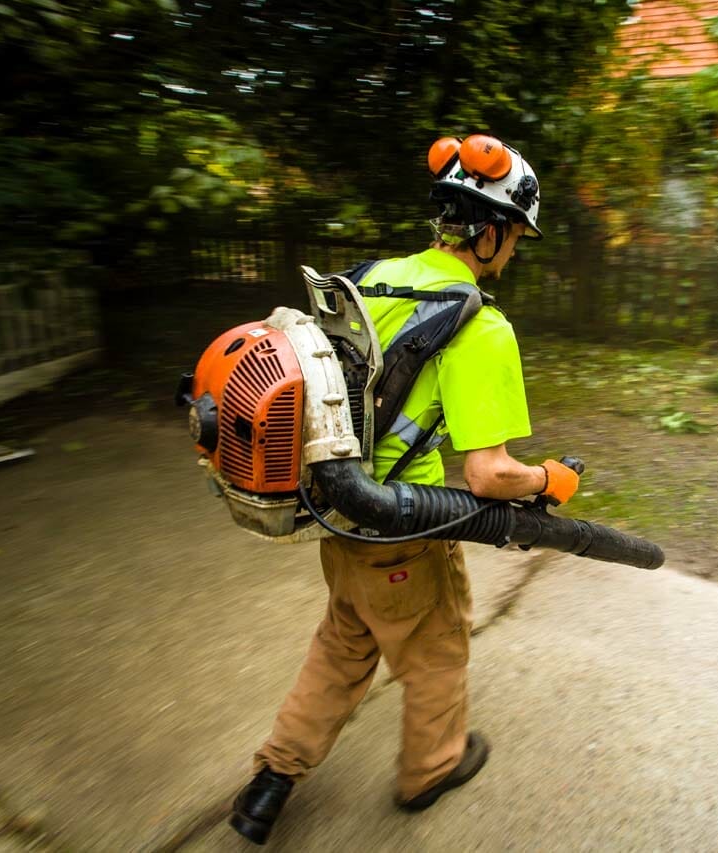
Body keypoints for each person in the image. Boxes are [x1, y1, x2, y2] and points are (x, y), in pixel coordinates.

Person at [229, 134, 581, 845]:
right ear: (490, 231)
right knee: (438, 652)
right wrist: (553, 478)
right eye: (515, 236)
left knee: (342, 644)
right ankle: (432, 766)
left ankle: (272, 778)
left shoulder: (368, 279)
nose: (514, 252)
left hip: (337, 517)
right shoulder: (480, 325)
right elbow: (488, 475)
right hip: (406, 535)